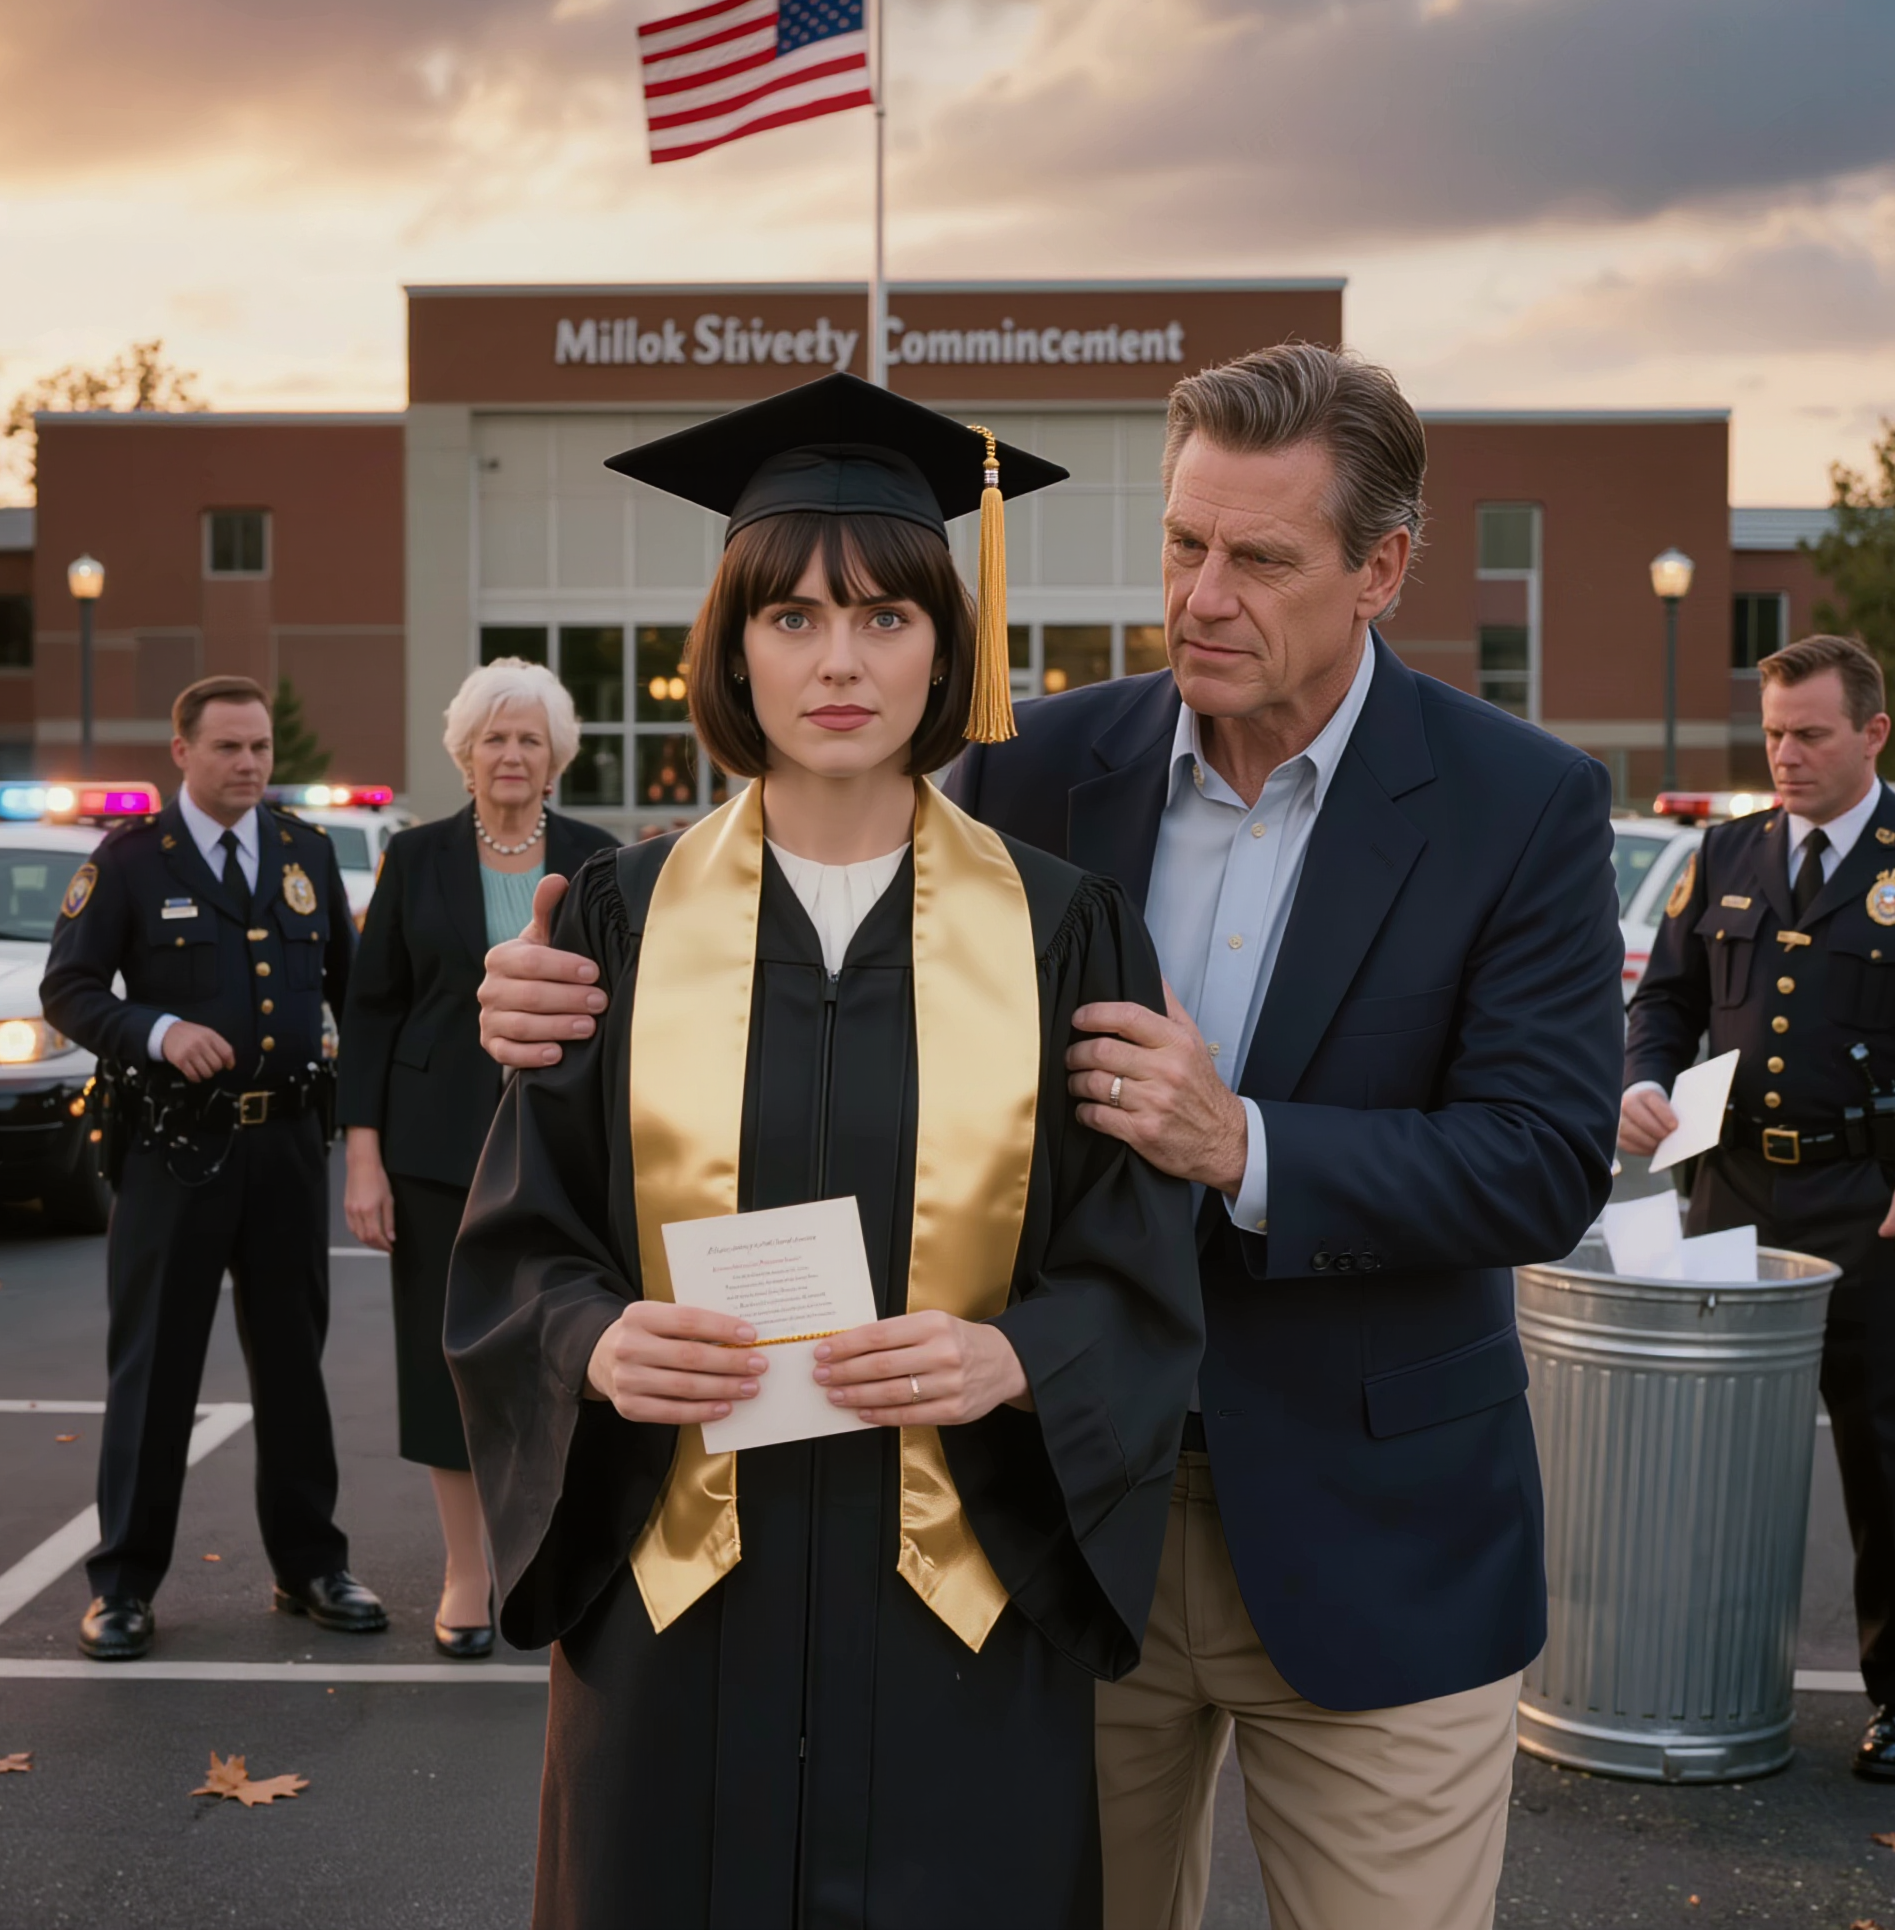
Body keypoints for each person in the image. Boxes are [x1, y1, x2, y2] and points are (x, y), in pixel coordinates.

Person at [475, 344, 1625, 1930]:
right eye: (1181, 545)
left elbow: (1545, 1157)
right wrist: (540, 1010)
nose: (1201, 595)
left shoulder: (1521, 804)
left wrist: (1245, 1145)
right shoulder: (1036, 776)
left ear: (1380, 569)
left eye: (1258, 558)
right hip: (1051, 1535)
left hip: (1363, 1534)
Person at [445, 373, 1205, 1930]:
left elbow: (1134, 1265)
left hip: (959, 1607)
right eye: (789, 617)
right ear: (729, 648)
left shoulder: (1064, 931)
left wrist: (1016, 1365)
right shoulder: (616, 922)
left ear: (949, 644)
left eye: (883, 618)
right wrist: (595, 1345)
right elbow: (520, 1245)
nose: (839, 660)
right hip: (679, 1599)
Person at [40, 674, 386, 1662]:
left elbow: (356, 1004)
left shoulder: (305, 854)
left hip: (283, 1148)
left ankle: (310, 1564)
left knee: (292, 1365)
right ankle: (124, 1583)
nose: (248, 764)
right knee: (154, 1370)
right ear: (181, 753)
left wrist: (367, 1136)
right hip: (172, 1152)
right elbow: (66, 988)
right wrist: (151, 1028)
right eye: (229, 747)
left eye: (260, 748)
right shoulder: (132, 862)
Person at [1622, 633, 1895, 1778]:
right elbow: (1669, 1001)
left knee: (1880, 1457)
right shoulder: (1723, 849)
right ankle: (1702, 1674)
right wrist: (1641, 1079)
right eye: (1774, 732)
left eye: (1810, 734)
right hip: (1728, 1189)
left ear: (1873, 733)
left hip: (1864, 1200)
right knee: (1708, 1449)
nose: (1784, 754)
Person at [337, 659, 614, 1658]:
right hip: (432, 1149)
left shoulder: (596, 858)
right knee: (442, 1357)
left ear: (555, 757)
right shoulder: (413, 859)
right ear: (464, 753)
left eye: (529, 737)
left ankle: (554, 1548)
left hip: (560, 1147)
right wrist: (362, 1158)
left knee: (566, 1344)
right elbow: (370, 1012)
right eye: (494, 737)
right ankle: (467, 1566)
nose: (511, 753)